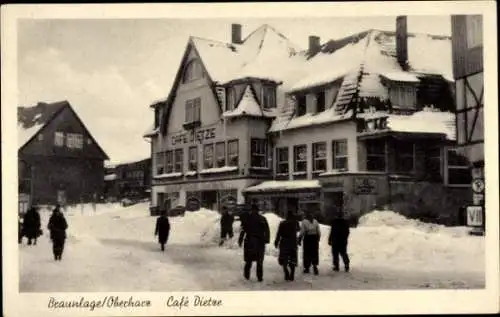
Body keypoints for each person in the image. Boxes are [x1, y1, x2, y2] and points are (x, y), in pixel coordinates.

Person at [238, 204, 270, 282]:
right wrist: (266, 239)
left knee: (249, 260)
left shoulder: (247, 219)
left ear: (251, 210)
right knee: (259, 261)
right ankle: (259, 277)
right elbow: (267, 230)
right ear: (258, 210)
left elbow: (243, 230)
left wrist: (240, 240)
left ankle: (246, 276)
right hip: (260, 242)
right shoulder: (262, 218)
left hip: (250, 241)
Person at [274, 211, 300, 281]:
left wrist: (276, 241)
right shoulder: (295, 223)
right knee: (293, 259)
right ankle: (292, 274)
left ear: (287, 216)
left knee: (284, 259)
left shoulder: (282, 223)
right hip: (293, 243)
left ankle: (286, 272)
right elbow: (298, 229)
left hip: (284, 242)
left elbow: (279, 233)